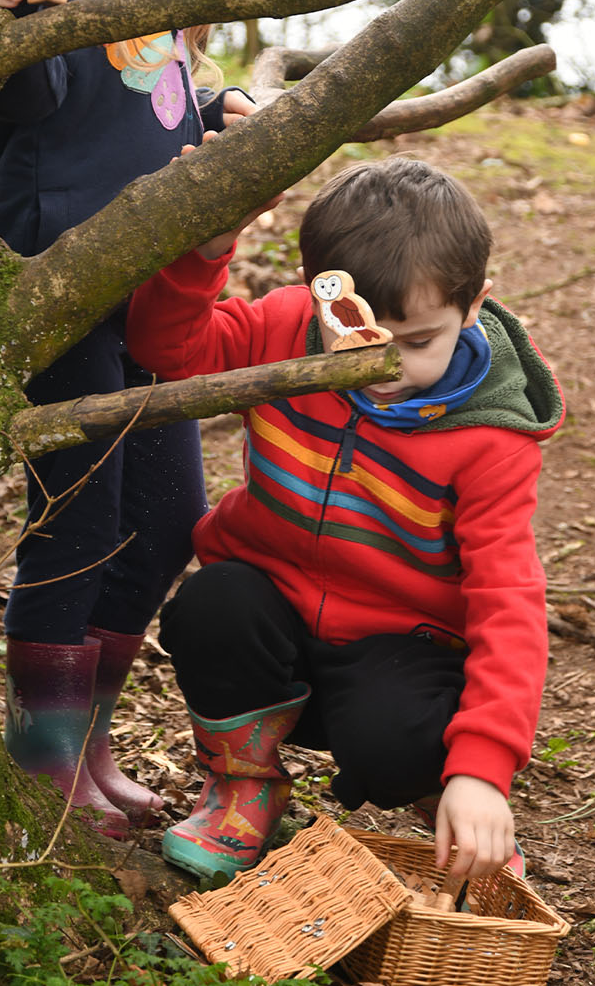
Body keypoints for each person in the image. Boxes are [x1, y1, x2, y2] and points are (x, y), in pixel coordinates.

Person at [125, 156, 565, 882]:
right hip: (275, 633)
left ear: (475, 304)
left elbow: (508, 599)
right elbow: (170, 351)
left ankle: (451, 809)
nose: (387, 366)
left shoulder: (490, 439)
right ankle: (244, 786)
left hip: (402, 654)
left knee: (397, 742)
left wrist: (483, 771)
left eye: (419, 341)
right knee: (211, 607)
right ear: (319, 297)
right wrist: (205, 248)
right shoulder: (283, 329)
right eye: (357, 336)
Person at [0, 0, 254, 837]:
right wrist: (14, 9)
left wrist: (217, 109)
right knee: (78, 516)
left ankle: (86, 743)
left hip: (152, 289)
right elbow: (36, 98)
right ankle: (43, 758)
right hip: (64, 278)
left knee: (171, 517)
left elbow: (154, 99)